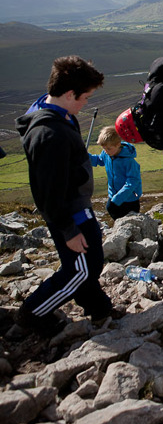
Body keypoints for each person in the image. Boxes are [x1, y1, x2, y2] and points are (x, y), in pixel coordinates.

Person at [15, 55, 113, 337]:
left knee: (88, 259)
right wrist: (68, 230)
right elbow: (48, 192)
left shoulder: (56, 111)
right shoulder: (50, 134)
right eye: (84, 97)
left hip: (73, 204)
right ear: (69, 94)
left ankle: (98, 305)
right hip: (68, 211)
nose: (85, 104)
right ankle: (33, 312)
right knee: (82, 268)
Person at [89, 125, 142, 220]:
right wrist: (86, 157)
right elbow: (99, 160)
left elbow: (133, 182)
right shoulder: (107, 154)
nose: (106, 151)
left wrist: (118, 198)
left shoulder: (129, 161)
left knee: (130, 220)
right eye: (104, 148)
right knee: (112, 210)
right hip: (114, 194)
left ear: (118, 144)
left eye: (108, 148)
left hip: (130, 198)